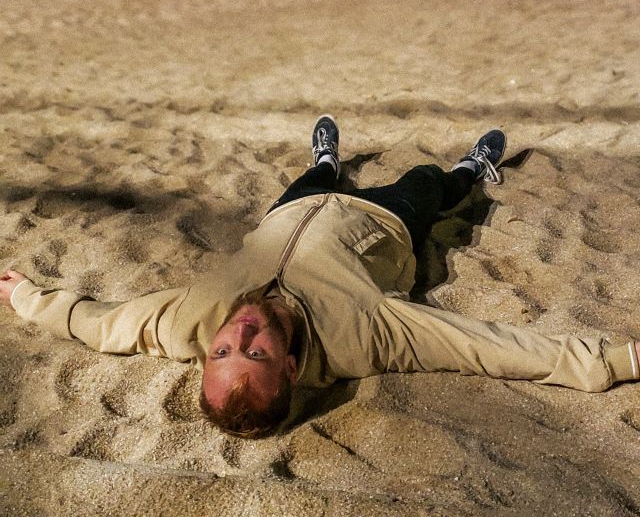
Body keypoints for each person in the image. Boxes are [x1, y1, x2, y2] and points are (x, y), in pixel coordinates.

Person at [1, 116, 638, 439]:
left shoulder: (183, 324)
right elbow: (486, 346)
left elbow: (101, 325)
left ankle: (326, 162)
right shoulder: (364, 337)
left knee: (310, 181)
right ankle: (472, 169)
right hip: (384, 222)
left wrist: (26, 297)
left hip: (290, 212)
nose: (240, 334)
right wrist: (612, 360)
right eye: (256, 353)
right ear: (291, 368)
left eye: (224, 352)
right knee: (427, 183)